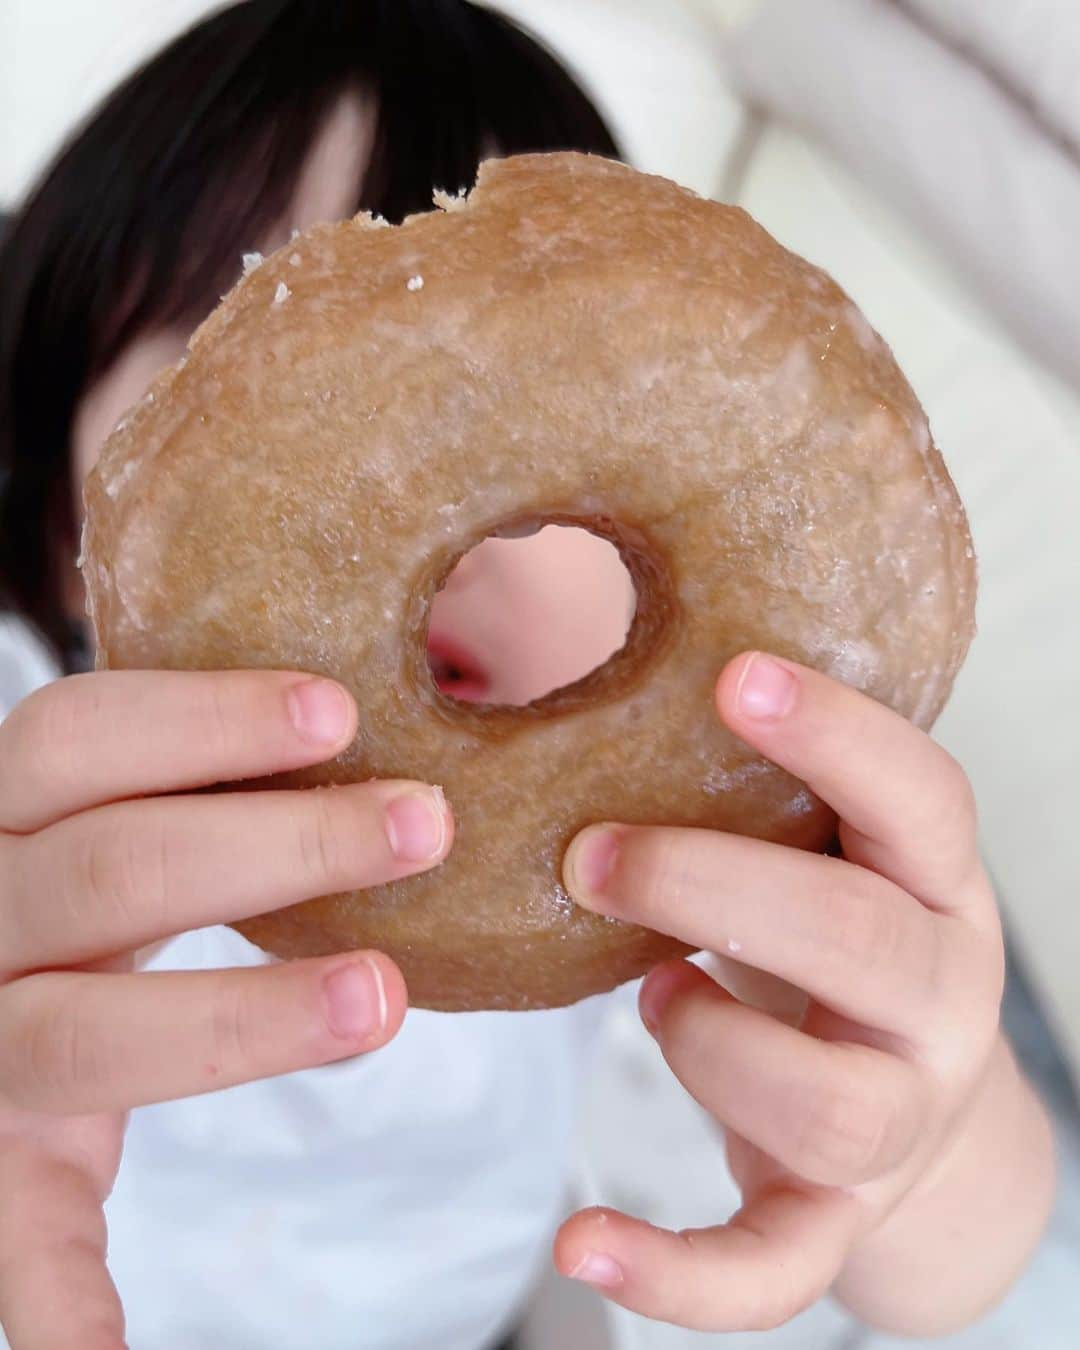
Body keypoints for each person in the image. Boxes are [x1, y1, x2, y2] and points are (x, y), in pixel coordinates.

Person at [0, 3, 1056, 1348]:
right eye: (263, 354)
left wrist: (923, 1136)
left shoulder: (639, 892)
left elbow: (970, 1258)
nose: (430, 497)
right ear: (66, 514)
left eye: (508, 416)